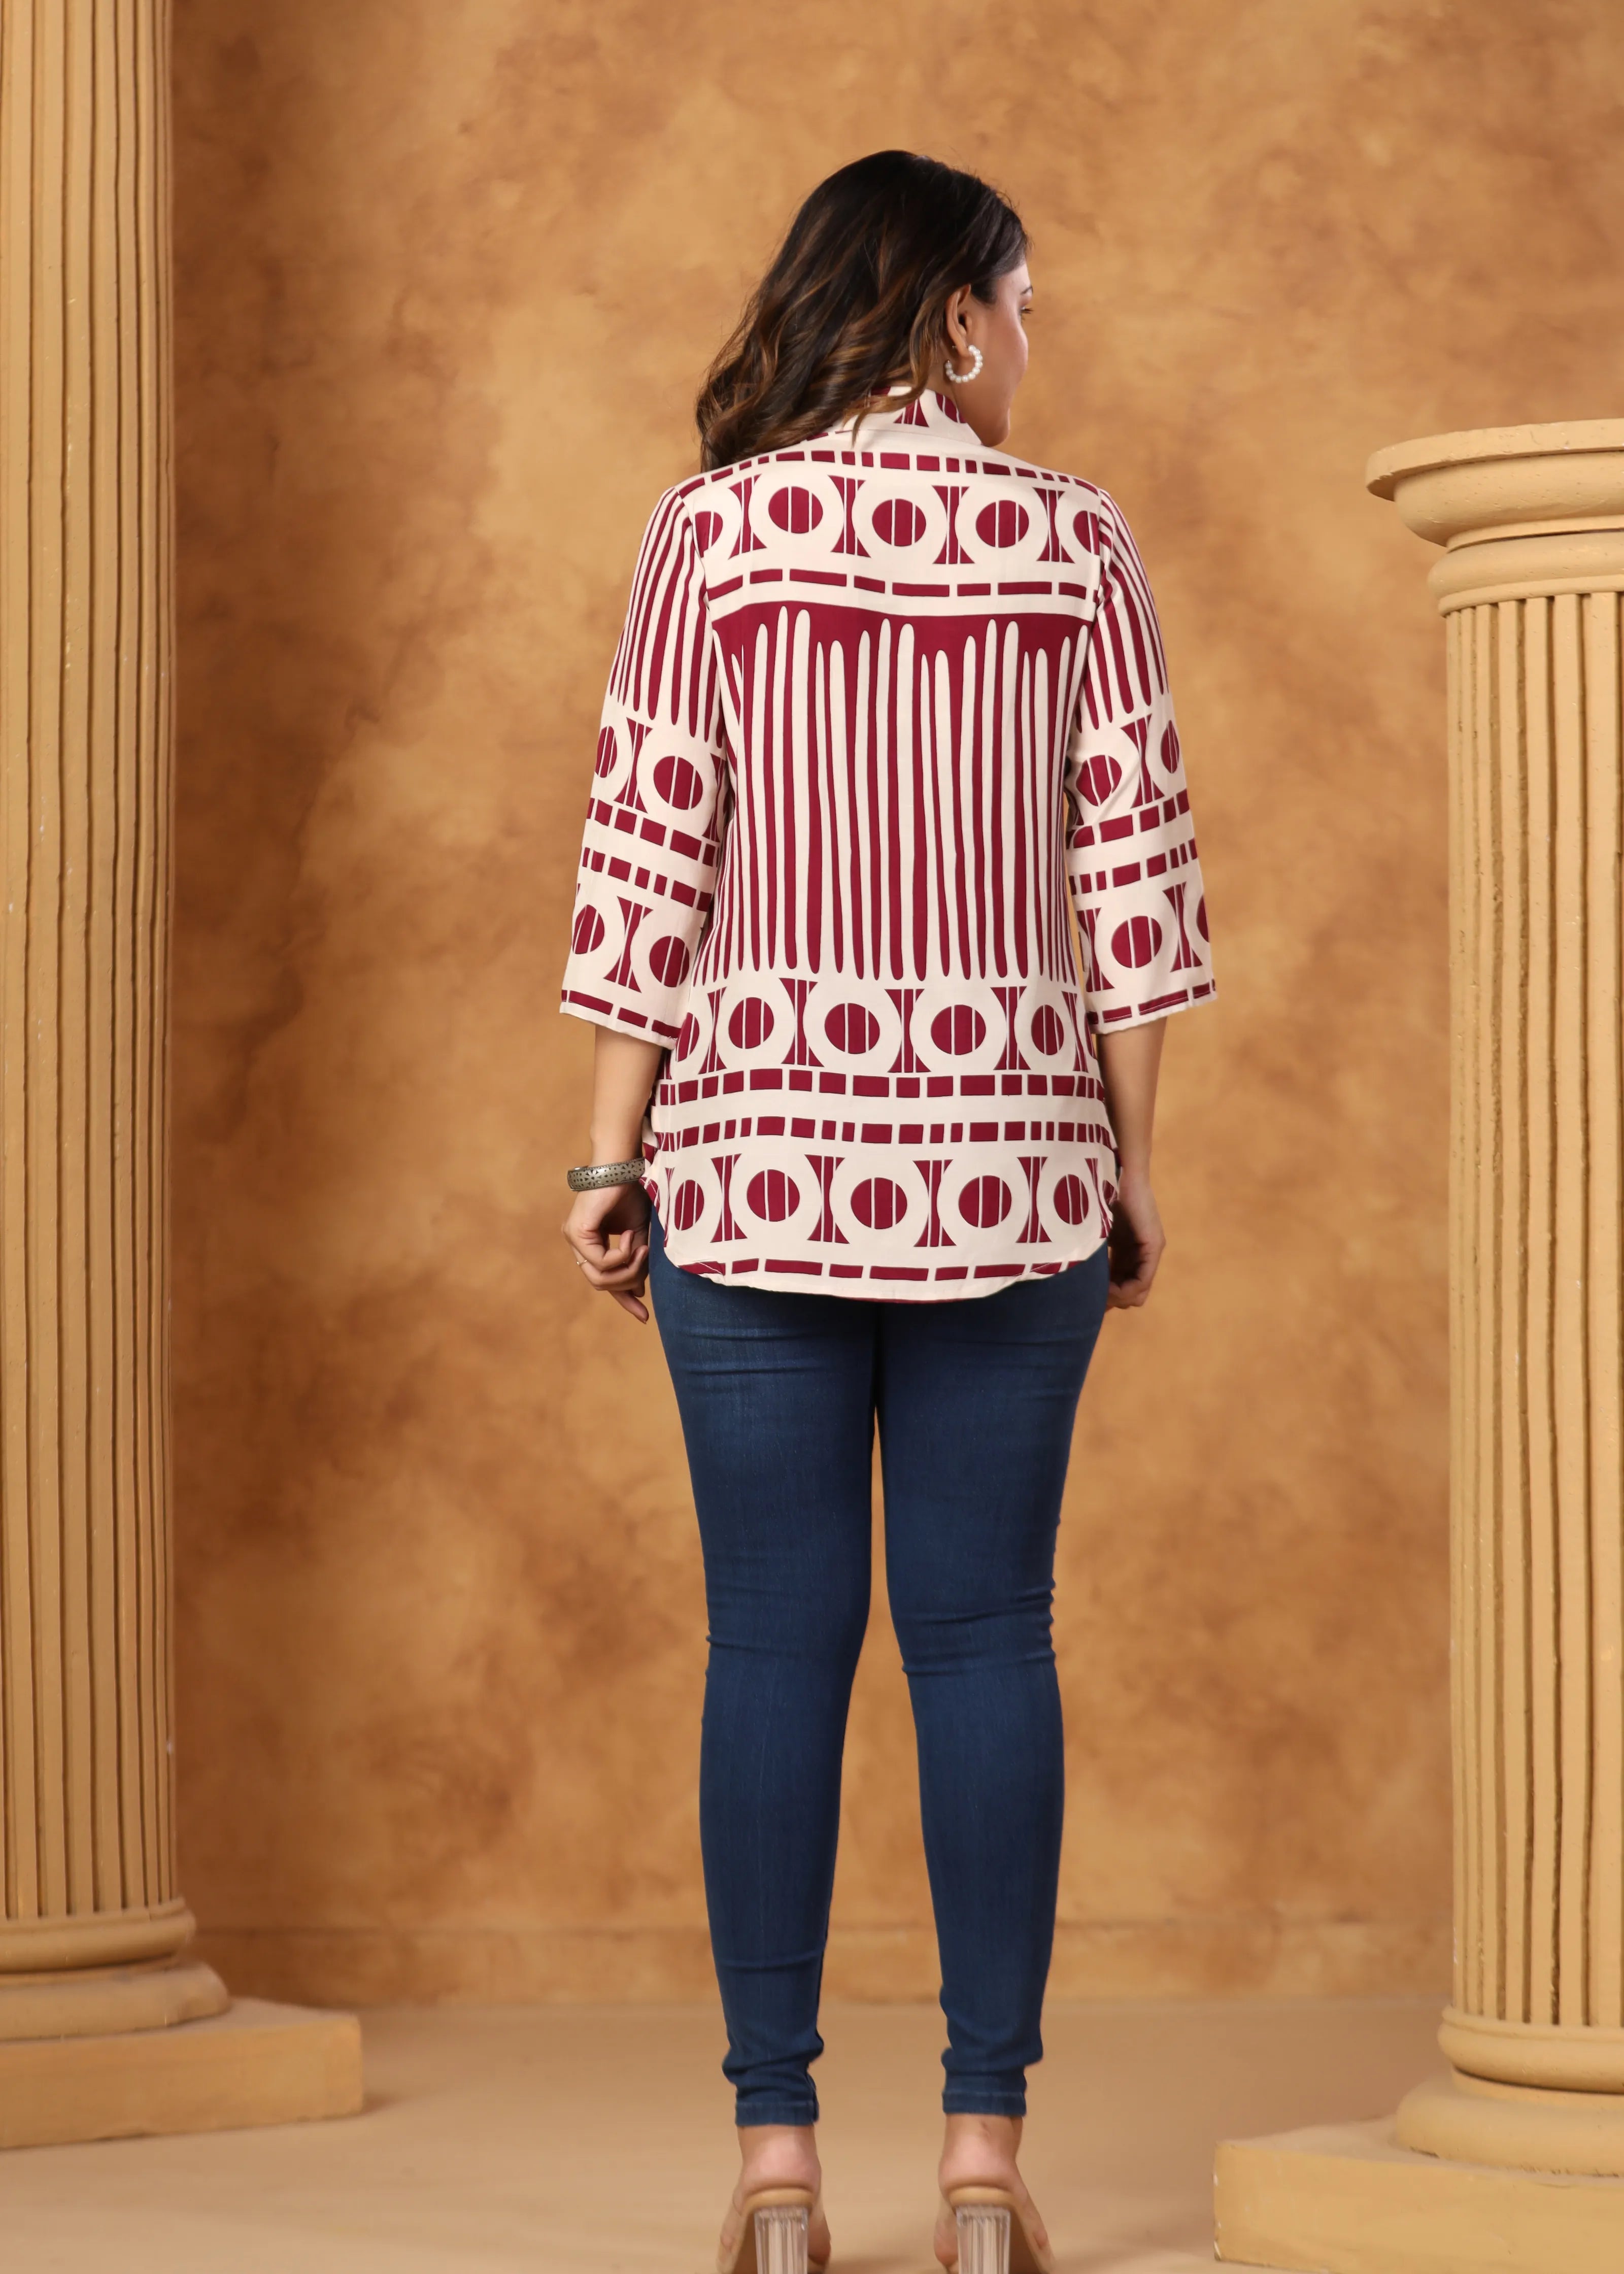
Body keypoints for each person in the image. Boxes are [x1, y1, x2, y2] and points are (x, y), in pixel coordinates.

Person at [560, 150, 1215, 2274]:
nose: (1033, 349)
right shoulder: (1077, 539)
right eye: (1023, 310)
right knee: (986, 1639)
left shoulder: (710, 534)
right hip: (1015, 1165)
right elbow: (1134, 886)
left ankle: (774, 2171)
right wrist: (1125, 1168)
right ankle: (981, 2163)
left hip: (749, 1160)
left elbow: (647, 849)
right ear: (952, 315)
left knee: (772, 1642)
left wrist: (607, 1156)